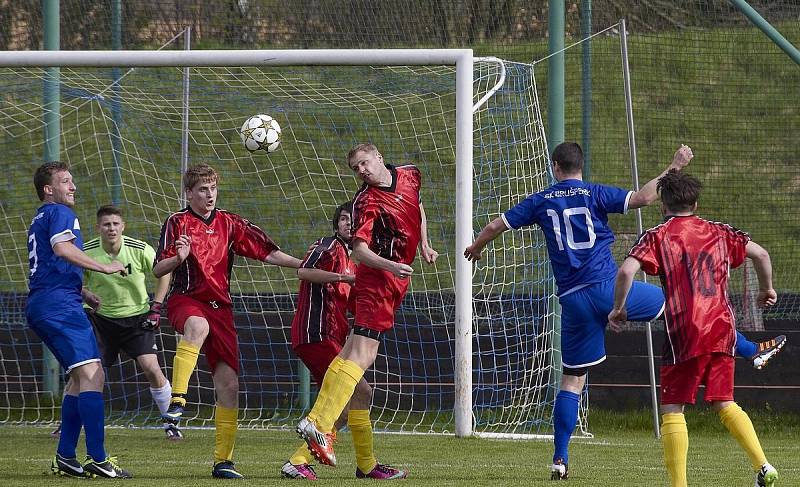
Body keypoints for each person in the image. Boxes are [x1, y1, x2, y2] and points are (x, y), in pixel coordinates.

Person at [463, 142, 782, 480]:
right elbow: (645, 198)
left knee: (571, 381)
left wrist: (475, 247)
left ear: (555, 167)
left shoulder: (540, 201)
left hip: (573, 300)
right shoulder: (595, 193)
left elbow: (495, 226)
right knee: (687, 307)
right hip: (609, 289)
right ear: (580, 166)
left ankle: (560, 459)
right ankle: (750, 351)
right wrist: (673, 165)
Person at [608, 170, 779, 487]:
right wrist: (767, 289)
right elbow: (762, 253)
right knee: (725, 402)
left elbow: (625, 272)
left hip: (684, 330)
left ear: (663, 205)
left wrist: (619, 309)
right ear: (696, 202)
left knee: (673, 407)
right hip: (723, 328)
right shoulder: (719, 232)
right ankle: (764, 466)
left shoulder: (658, 235)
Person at [153, 163, 302, 479]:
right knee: (197, 327)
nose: (209, 195)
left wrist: (301, 265)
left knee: (230, 386)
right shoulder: (177, 222)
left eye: (213, 189)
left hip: (221, 308)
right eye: (202, 190)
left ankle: (224, 462)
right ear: (189, 193)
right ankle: (177, 400)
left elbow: (267, 252)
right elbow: (158, 269)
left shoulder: (230, 223)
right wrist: (178, 258)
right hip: (187, 299)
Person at [296, 143, 438, 472]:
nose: (361, 170)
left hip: (392, 278)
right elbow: (359, 251)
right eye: (355, 168)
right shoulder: (366, 200)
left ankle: (344, 448)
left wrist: (425, 244)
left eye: (364, 163)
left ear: (378, 157)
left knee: (350, 354)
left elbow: (418, 208)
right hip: (377, 279)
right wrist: (390, 266)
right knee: (363, 355)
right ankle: (319, 424)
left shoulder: (409, 174)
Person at [282, 201, 405, 480]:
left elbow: (350, 300)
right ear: (336, 224)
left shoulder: (354, 259)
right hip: (315, 332)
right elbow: (303, 271)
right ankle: (299, 459)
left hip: (332, 333)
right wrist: (344, 277)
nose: (350, 223)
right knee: (353, 394)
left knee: (360, 394)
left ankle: (366, 464)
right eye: (345, 219)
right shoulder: (327, 246)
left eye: (355, 219)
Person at [26, 161, 132, 478]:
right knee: (93, 374)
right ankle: (98, 459)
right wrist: (105, 267)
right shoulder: (60, 213)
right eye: (66, 181)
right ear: (49, 189)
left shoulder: (40, 218)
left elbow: (47, 262)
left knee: (78, 378)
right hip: (58, 306)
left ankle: (67, 457)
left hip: (49, 302)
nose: (73, 187)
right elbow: (61, 249)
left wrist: (83, 290)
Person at [81, 204, 181, 440]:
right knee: (86, 372)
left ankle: (171, 423)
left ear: (123, 226)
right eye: (106, 224)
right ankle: (68, 422)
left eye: (116, 224)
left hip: (136, 319)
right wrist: (85, 294)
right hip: (100, 320)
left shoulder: (139, 249)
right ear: (98, 228)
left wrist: (156, 306)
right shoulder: (86, 251)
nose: (111, 228)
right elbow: (73, 280)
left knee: (152, 368)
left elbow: (164, 273)